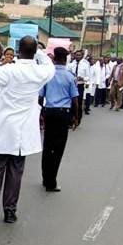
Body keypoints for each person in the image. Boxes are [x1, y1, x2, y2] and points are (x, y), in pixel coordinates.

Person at [0, 35, 54, 224]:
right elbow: (50, 67)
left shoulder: (9, 70)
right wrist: (41, 54)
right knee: (16, 171)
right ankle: (10, 211)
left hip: (5, 126)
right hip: (24, 129)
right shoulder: (40, 72)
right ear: (34, 51)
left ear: (18, 50)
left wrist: (2, 63)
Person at [39, 47, 79, 193]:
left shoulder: (48, 75)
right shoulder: (70, 76)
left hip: (49, 112)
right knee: (58, 148)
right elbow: (75, 99)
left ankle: (45, 178)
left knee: (47, 146)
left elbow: (40, 96)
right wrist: (76, 118)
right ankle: (52, 181)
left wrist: (41, 113)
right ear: (65, 59)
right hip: (63, 114)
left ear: (54, 58)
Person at [67, 50, 90, 123]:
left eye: (79, 55)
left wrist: (82, 78)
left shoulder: (85, 65)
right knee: (71, 102)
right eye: (76, 55)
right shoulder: (71, 65)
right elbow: (67, 74)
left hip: (80, 85)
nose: (77, 56)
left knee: (78, 103)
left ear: (82, 56)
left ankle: (78, 118)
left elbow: (88, 77)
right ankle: (70, 119)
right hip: (72, 85)